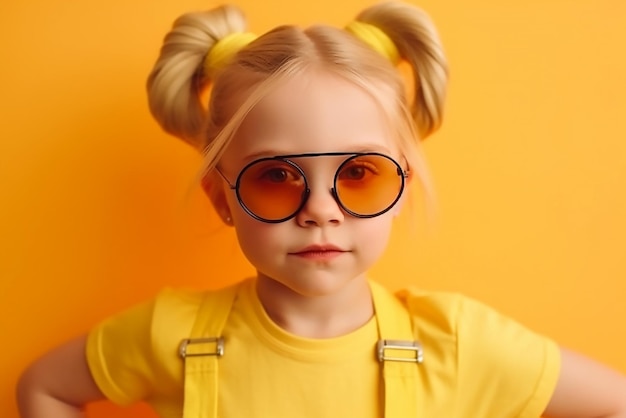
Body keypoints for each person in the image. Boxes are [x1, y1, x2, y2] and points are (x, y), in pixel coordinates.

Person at [16, 2, 626, 417]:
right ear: (221, 199)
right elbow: (42, 389)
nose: (319, 210)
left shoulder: (456, 342)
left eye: (358, 175)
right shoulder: (172, 334)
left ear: (402, 187)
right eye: (277, 178)